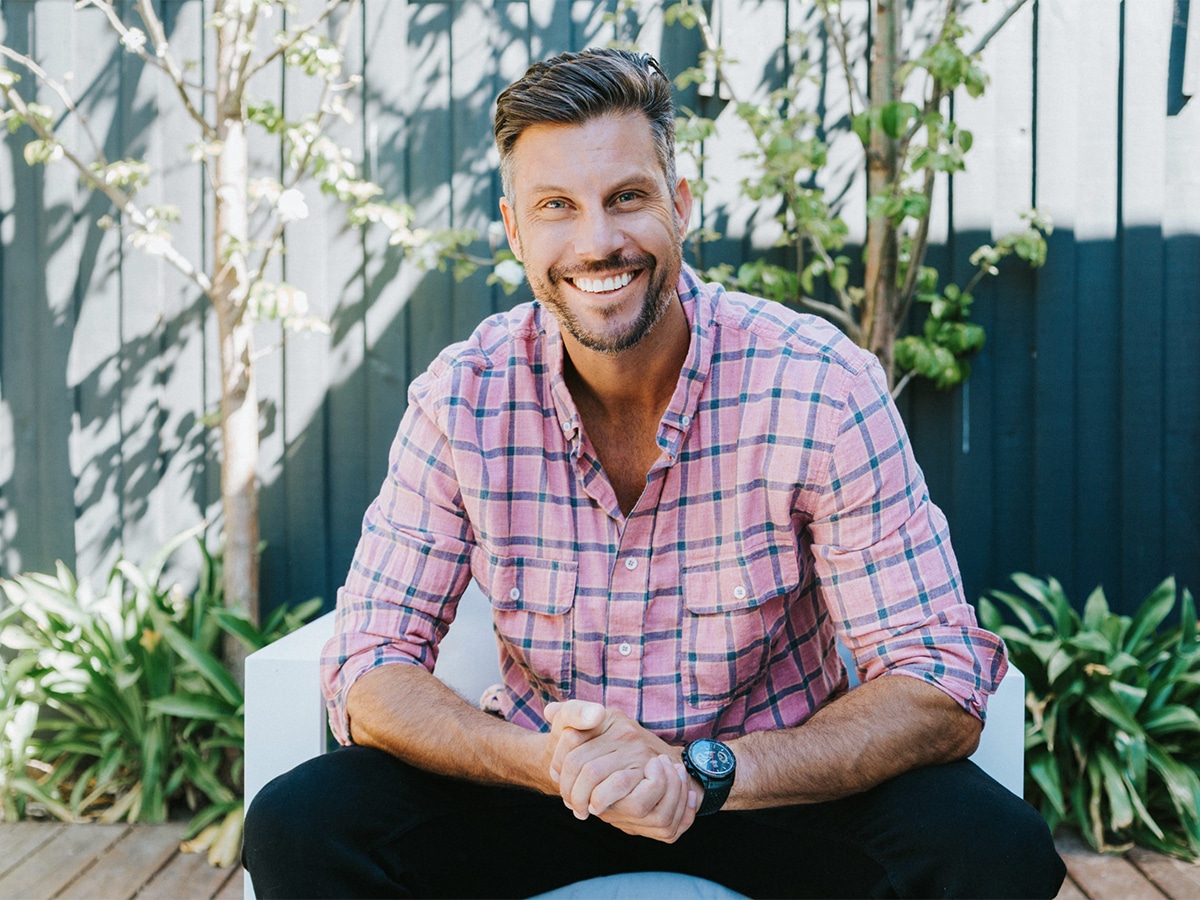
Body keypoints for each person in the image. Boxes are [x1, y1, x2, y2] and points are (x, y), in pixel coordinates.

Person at [243, 48, 1065, 899]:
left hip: (761, 793)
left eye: (626, 198)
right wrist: (554, 763)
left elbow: (935, 674)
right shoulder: (463, 397)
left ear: (679, 205)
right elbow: (374, 661)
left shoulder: (819, 384)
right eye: (557, 207)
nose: (598, 241)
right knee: (301, 823)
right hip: (539, 791)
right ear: (515, 229)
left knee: (992, 850)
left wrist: (702, 774)